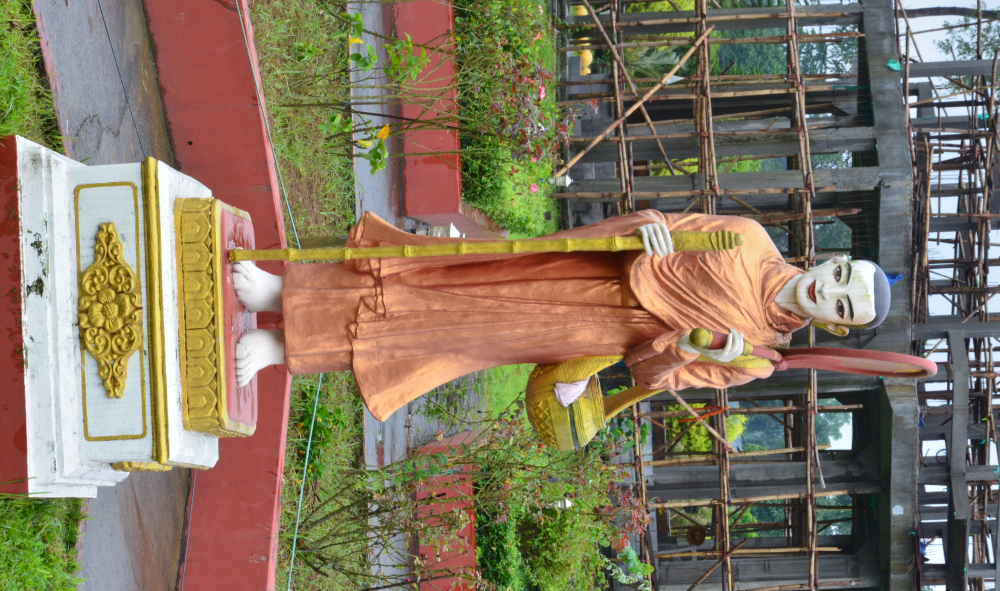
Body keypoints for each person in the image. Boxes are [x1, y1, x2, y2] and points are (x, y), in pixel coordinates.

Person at [232, 210, 892, 421]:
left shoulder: (753, 359)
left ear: (834, 326)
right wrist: (652, 230)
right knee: (446, 276)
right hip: (588, 271)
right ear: (833, 259)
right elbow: (666, 224)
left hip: (586, 328)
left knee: (444, 327)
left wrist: (693, 351)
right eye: (840, 276)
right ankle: (280, 293)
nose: (826, 291)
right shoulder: (746, 238)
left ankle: (291, 349)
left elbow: (646, 372)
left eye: (841, 306)